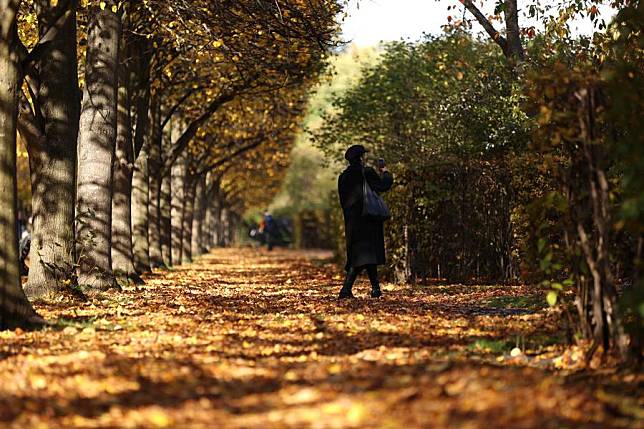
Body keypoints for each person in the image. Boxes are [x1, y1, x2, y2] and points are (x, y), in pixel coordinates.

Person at [338, 144, 393, 298]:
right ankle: (346, 289)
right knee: (365, 255)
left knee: (364, 255)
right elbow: (383, 185)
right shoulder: (366, 172)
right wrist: (385, 171)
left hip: (352, 222)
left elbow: (343, 201)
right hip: (368, 219)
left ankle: (375, 289)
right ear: (361, 157)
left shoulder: (342, 177)